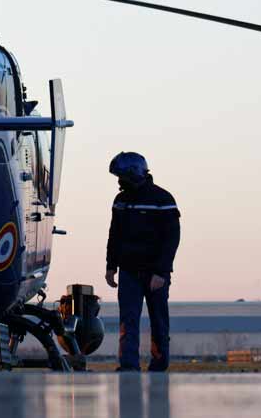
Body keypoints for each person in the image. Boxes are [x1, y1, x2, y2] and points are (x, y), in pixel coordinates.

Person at [105, 152, 181, 372]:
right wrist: (111, 266)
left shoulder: (163, 199)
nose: (119, 181)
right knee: (128, 321)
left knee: (158, 320)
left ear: (134, 173)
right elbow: (114, 235)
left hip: (155, 273)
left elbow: (171, 240)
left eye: (122, 176)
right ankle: (128, 366)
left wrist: (161, 272)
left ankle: (159, 365)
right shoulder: (120, 201)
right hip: (129, 271)